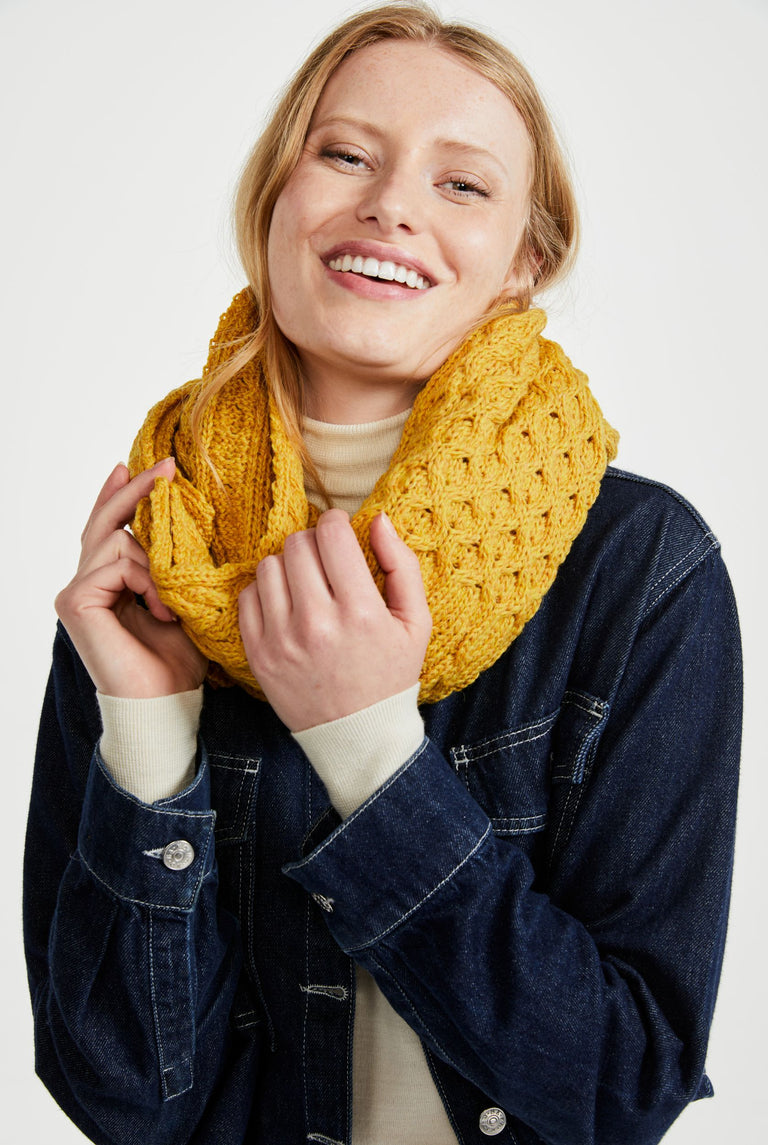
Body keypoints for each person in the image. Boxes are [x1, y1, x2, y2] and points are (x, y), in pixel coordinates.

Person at [23, 3, 741, 1144]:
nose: (391, 203)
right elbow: (121, 1099)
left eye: (464, 185)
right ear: (273, 201)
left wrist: (370, 750)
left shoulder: (641, 570)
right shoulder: (161, 552)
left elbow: (620, 1089)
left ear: (524, 264)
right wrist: (150, 738)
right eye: (345, 154)